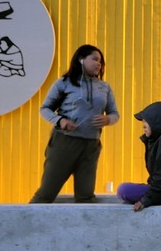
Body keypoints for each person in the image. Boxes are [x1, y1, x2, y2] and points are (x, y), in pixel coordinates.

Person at [30, 45, 119, 203]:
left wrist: (108, 120)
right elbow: (45, 109)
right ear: (81, 59)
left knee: (85, 196)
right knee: (47, 193)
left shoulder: (104, 87)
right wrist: (61, 121)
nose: (98, 64)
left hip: (91, 145)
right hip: (65, 142)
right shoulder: (64, 83)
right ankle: (26, 225)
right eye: (95, 59)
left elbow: (114, 114)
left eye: (101, 61)